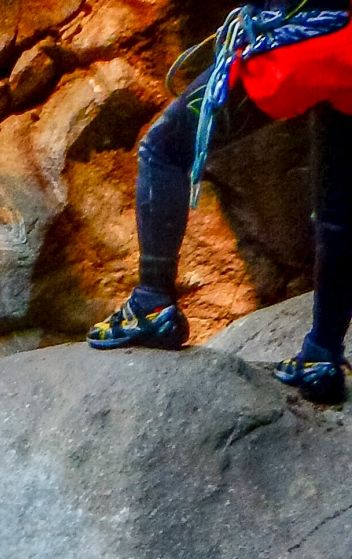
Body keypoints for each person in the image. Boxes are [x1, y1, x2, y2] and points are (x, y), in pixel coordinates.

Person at [88, 6, 352, 403]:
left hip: (305, 45)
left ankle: (151, 304)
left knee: (163, 150)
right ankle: (321, 356)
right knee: (337, 214)